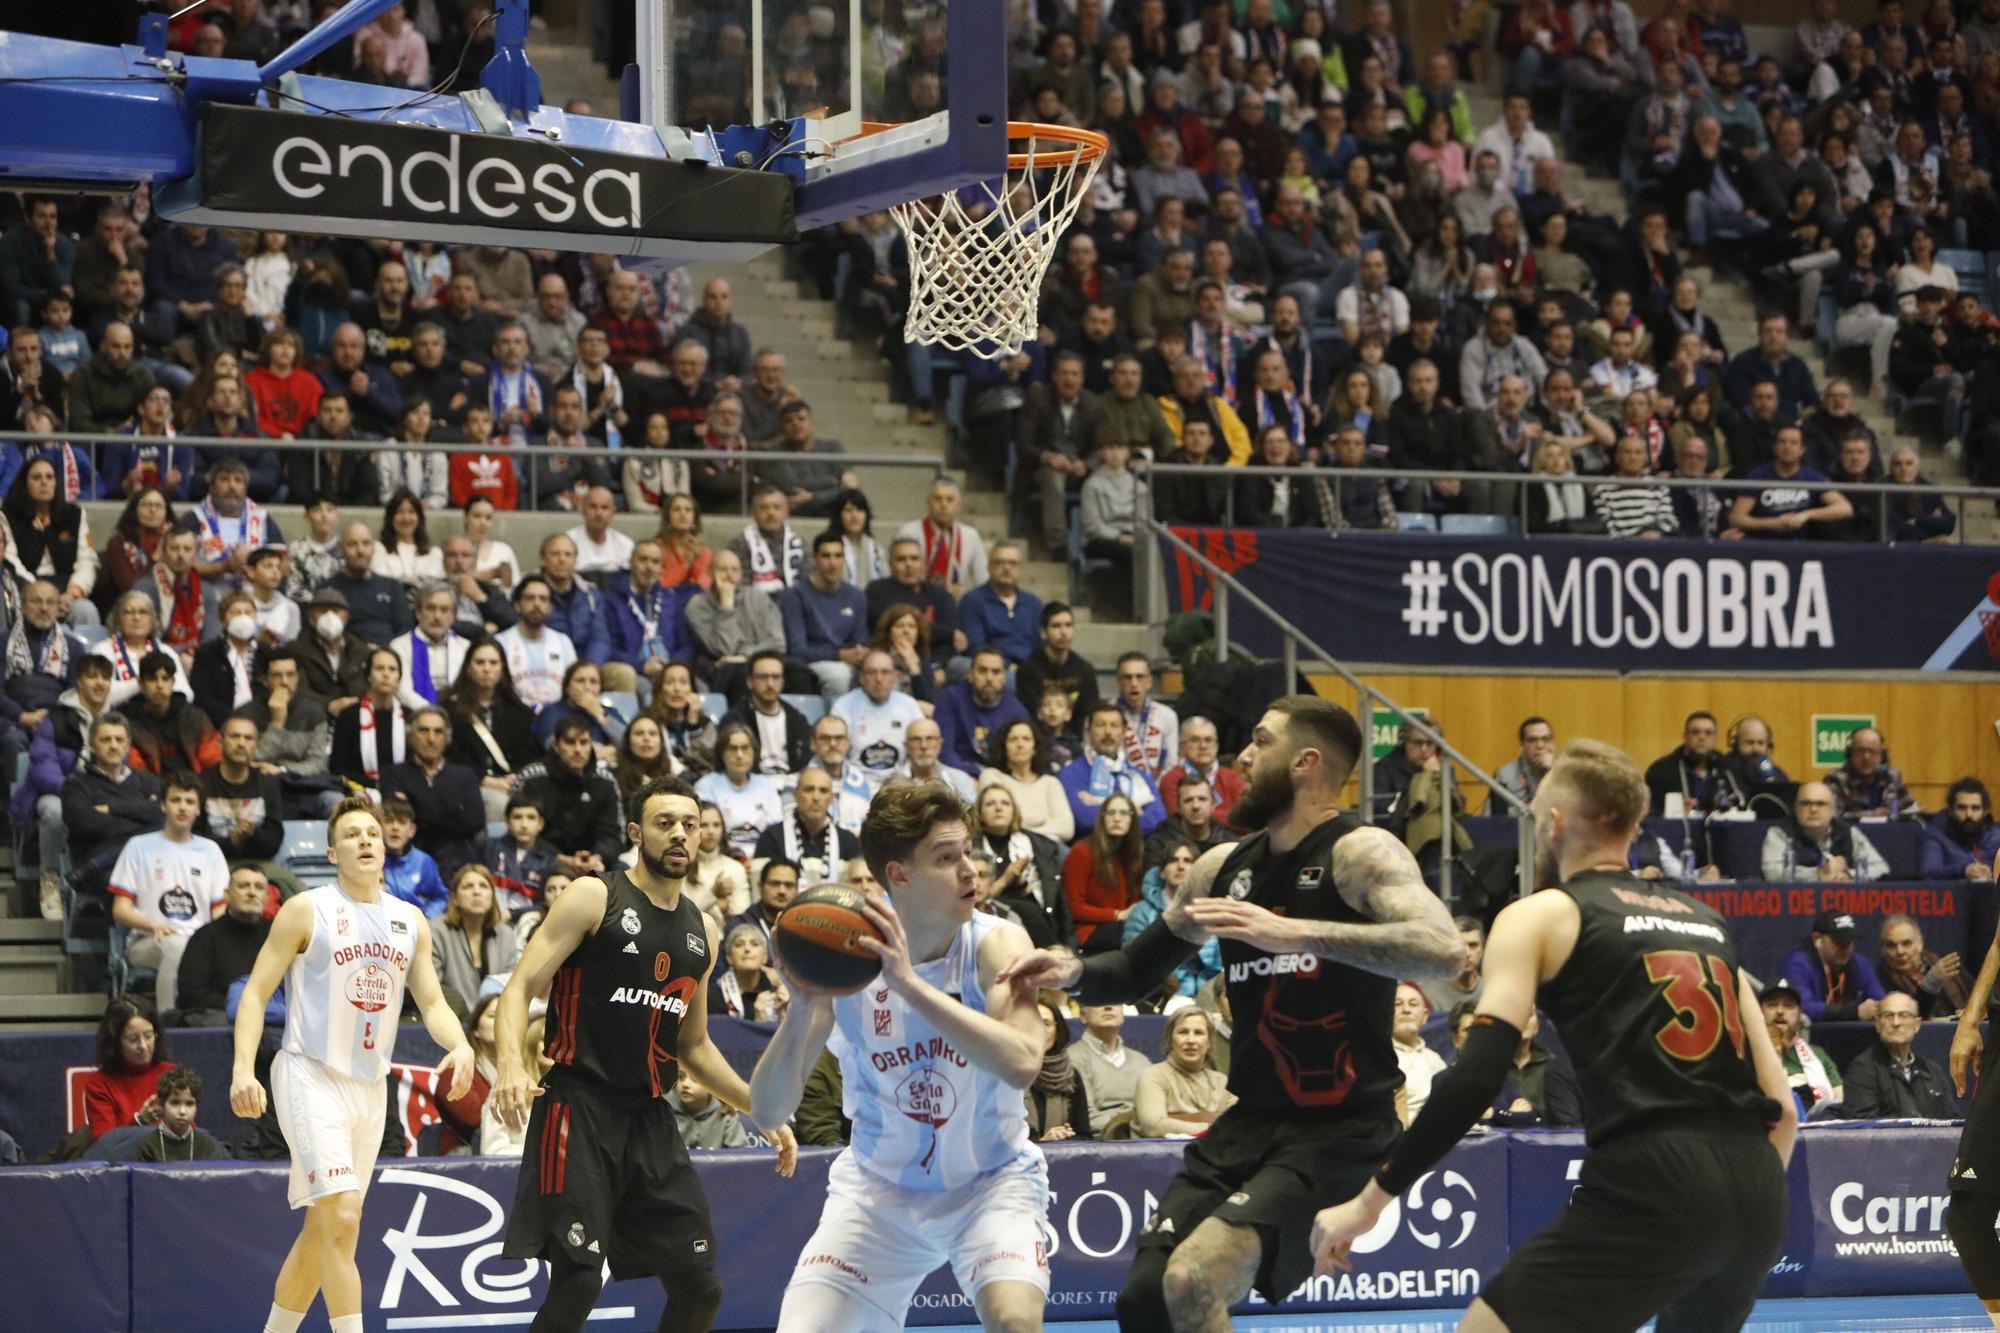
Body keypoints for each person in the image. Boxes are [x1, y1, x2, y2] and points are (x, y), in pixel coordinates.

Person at [1001, 695, 1464, 1329]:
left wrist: (1295, 933)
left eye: (1260, 742)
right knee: (1144, 1300)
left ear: (1305, 763)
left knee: (1193, 1280)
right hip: (1249, 1122)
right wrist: (1074, 969)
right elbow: (1137, 969)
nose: (1240, 757)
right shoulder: (1223, 868)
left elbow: (1441, 952)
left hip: (1342, 1128)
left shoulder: (1360, 853)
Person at [1309, 740, 1796, 1333]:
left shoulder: (1541, 913)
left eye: (1538, 820)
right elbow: (1784, 1108)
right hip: (1759, 1190)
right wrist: (1741, 1195)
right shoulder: (1707, 923)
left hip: (1656, 1176)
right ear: (1635, 825)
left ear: (1557, 822)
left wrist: (1370, 1202)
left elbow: (1477, 1075)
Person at [491, 776, 797, 1333]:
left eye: (690, 824)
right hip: (576, 1106)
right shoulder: (594, 895)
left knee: (701, 1288)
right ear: (636, 833)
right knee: (580, 1279)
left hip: (650, 1119)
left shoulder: (702, 930)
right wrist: (511, 1063)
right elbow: (518, 989)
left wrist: (760, 1107)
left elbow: (694, 1047)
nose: (679, 833)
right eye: (664, 823)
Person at [747, 779, 1049, 1333]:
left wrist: (910, 987)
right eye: (946, 858)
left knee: (1015, 1323)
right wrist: (802, 1005)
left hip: (989, 1183)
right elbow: (766, 1113)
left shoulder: (997, 944)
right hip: (877, 1196)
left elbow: (1024, 1062)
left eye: (968, 853)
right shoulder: (845, 961)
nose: (970, 872)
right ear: (899, 875)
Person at [227, 796, 475, 1333]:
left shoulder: (410, 920)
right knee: (343, 1217)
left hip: (370, 1088)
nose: (366, 840)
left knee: (326, 1231)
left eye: (373, 833)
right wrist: (243, 1069)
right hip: (309, 1074)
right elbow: (254, 995)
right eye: (353, 834)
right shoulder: (306, 909)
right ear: (332, 850)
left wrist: (459, 1044)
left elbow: (432, 1004)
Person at [108, 769, 228, 1014]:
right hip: (148, 940)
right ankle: (169, 1022)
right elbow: (120, 909)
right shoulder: (139, 847)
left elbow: (220, 911)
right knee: (175, 946)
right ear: (163, 805)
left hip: (200, 942)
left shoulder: (211, 851)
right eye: (175, 800)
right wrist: (153, 925)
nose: (182, 807)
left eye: (189, 801)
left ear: (198, 809)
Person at [380, 705, 486, 874]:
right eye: (423, 731)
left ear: (447, 738)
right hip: (407, 864)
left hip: (457, 864)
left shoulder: (465, 775)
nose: (431, 738)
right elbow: (399, 815)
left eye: (438, 732)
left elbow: (475, 821)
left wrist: (418, 810)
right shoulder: (392, 774)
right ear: (411, 735)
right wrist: (452, 812)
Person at [519, 717, 628, 878]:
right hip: (544, 857)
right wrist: (561, 859)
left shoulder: (606, 781)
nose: (578, 749)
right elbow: (522, 829)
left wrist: (598, 857)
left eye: (584, 743)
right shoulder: (532, 778)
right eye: (570, 742)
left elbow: (613, 834)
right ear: (556, 746)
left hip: (592, 860)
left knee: (624, 872)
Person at [175, 865, 275, 1026]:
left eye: (259, 887)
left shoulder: (280, 933)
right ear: (227, 896)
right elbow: (191, 992)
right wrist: (241, 1006)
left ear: (266, 898)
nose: (252, 892)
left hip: (273, 1014)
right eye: (243, 886)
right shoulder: (205, 937)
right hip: (222, 1017)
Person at [1059, 702, 1167, 838]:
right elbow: (1084, 820)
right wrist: (1134, 811)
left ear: (1123, 732)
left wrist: (1100, 805)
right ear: (1088, 732)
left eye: (1114, 725)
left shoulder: (1138, 775)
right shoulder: (1071, 774)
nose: (1108, 732)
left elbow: (1158, 819)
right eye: (1101, 725)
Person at [1842, 991, 1956, 1119]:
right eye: (1888, 1015)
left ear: (1916, 1025)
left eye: (1903, 1015)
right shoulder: (1862, 1070)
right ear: (1878, 1024)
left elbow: (1950, 1121)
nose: (1896, 1022)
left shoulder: (1932, 1070)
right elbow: (1861, 1126)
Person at [80, 993, 176, 1142]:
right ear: (115, 1042)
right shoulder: (99, 1084)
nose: (143, 1046)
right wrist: (140, 1121)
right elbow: (105, 1146)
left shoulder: (171, 1074)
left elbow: (190, 1134)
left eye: (148, 1036)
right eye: (133, 1039)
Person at [431, 864, 522, 1018]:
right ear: (455, 898)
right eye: (468, 886)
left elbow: (510, 987)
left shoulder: (505, 935)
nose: (476, 892)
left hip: (495, 1023)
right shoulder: (436, 931)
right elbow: (432, 988)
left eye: (484, 886)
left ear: (492, 896)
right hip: (450, 1021)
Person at [198, 712, 285, 864]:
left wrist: (253, 834)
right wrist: (230, 841)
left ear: (256, 745)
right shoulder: (201, 783)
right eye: (235, 736)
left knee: (295, 887)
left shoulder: (268, 785)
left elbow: (275, 841)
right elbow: (194, 839)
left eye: (248, 738)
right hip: (212, 864)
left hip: (259, 866)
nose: (241, 743)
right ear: (220, 742)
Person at [1134, 1009, 1236, 1137]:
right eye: (1183, 1032)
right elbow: (1154, 1127)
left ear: (1209, 1042)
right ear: (1170, 1039)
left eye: (1198, 1033)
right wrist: (1211, 1128)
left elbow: (1239, 1127)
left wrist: (1174, 1122)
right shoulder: (1152, 1076)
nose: (1191, 1040)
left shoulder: (1223, 1082)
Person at [1761, 783, 1891, 882]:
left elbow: (1881, 867)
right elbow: (1772, 873)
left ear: (1832, 809)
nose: (1813, 809)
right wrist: (1818, 874)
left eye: (1820, 804)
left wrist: (1848, 874)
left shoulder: (1849, 832)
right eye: (1806, 803)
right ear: (1795, 807)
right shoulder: (1779, 832)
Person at [752, 765, 859, 885]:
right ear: (795, 795)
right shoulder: (772, 839)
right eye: (809, 789)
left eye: (823, 791)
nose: (816, 797)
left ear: (831, 798)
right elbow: (761, 891)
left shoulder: (848, 842)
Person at [933, 647, 1031, 778]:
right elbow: (944, 751)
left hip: (1000, 781)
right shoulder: (950, 699)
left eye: (996, 672)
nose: (989, 678)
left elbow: (1022, 759)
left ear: (1004, 678)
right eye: (982, 671)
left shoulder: (1017, 712)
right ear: (970, 675)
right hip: (957, 777)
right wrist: (970, 778)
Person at [693, 721, 784, 860]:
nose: (739, 755)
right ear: (722, 753)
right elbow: (704, 835)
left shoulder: (767, 787)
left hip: (762, 860)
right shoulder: (705, 787)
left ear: (754, 752)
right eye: (732, 748)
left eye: (745, 748)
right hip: (720, 860)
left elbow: (776, 833)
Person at [495, 575, 578, 713]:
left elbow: (574, 688)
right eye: (530, 598)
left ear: (550, 607)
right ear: (517, 605)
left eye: (543, 599)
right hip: (514, 716)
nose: (537, 604)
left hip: (558, 719)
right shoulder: (500, 643)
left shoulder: (563, 642)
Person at [1070, 1003, 1154, 1137]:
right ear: (1083, 1016)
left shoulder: (1141, 1061)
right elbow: (1086, 1119)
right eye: (1100, 1001)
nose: (1108, 1007)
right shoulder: (1073, 1058)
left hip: (1144, 1140)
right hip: (1099, 1145)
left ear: (1123, 1014)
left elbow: (1155, 1112)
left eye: (1115, 1001)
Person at [330, 648, 409, 790]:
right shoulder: (349, 716)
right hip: (358, 791)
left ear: (399, 678)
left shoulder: (409, 717)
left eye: (392, 669)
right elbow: (337, 768)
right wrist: (374, 785)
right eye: (379, 668)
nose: (386, 674)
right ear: (368, 676)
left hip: (403, 791)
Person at [1763, 976, 1843, 1117]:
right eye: (1772, 1004)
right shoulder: (1744, 1055)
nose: (1780, 1011)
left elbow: (1839, 1103)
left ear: (1800, 1014)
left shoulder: (1818, 1056)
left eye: (1788, 1005)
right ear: (1759, 1012)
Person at [1880, 913, 1970, 1018]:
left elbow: (1978, 994)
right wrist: (1932, 980)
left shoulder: (1942, 961)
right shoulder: (1881, 977)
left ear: (1920, 943)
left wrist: (1972, 1012)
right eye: (1891, 946)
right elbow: (1910, 1015)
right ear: (1884, 949)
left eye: (1906, 943)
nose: (1900, 951)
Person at [1027, 998, 1091, 1141]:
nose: (1040, 1030)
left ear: (1058, 1031)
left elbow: (1084, 1135)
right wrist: (1043, 1142)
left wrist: (1064, 1137)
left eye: (1046, 1023)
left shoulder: (1070, 1076)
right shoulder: (1006, 1072)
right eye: (1033, 1022)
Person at [1824, 726, 1921, 820]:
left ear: (1882, 755)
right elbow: (1833, 816)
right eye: (1860, 750)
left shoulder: (1892, 776)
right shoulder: (1836, 779)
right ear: (1850, 753)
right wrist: (1871, 815)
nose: (1866, 757)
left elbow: (1910, 807)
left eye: (1872, 751)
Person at [137, 1066, 229, 1161]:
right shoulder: (148, 1146)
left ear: (197, 1106)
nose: (182, 1111)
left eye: (189, 1104)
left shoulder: (207, 1145)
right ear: (162, 1105)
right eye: (175, 1103)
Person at [1644, 709, 1723, 815]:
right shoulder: (1661, 770)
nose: (1702, 737)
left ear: (1715, 738)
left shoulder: (1727, 769)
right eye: (1695, 732)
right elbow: (1649, 811)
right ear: (1685, 736)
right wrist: (1675, 812)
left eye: (1708, 733)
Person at [1390, 983, 1447, 1123]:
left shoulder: (1436, 1060)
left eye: (1413, 1004)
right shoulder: (1381, 1058)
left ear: (1425, 1016)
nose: (1406, 1010)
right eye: (1398, 1004)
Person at [711, 918, 789, 1021]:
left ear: (765, 957)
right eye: (739, 945)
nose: (747, 949)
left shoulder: (779, 995)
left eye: (755, 944)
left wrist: (783, 1015)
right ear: (728, 958)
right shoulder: (712, 996)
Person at [1923, 777, 2000, 879]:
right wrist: (1963, 871)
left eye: (1975, 808)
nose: (1969, 814)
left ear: (1985, 812)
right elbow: (1929, 872)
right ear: (1950, 811)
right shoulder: (1936, 835)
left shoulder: (1996, 836)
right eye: (1962, 808)